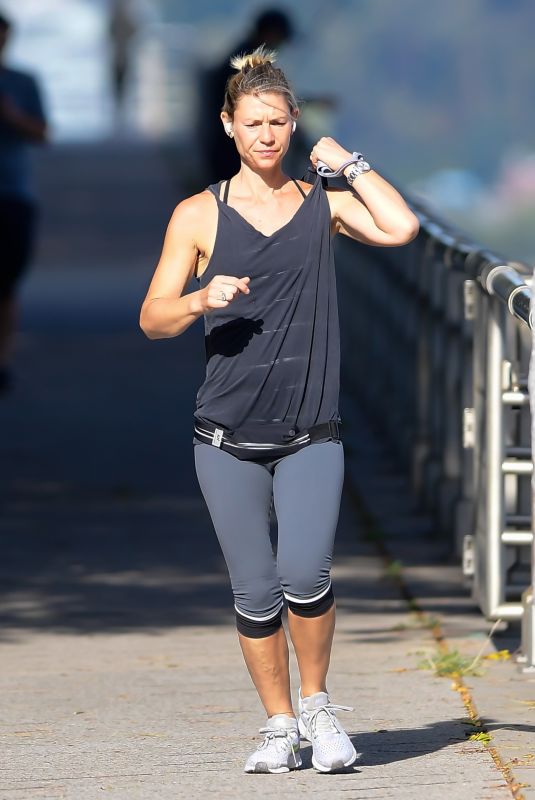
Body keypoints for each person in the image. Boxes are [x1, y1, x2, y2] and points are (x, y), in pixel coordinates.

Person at [140, 46, 419, 774]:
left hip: (310, 434)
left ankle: (320, 710)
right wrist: (201, 296)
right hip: (225, 436)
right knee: (255, 589)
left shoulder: (321, 206)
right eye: (252, 122)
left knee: (305, 572)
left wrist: (348, 164)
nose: (266, 135)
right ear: (228, 125)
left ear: (295, 124)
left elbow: (400, 229)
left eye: (278, 122)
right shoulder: (198, 215)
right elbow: (153, 318)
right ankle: (278, 723)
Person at [0, 11, 48, 393]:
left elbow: (42, 132)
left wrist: (11, 115)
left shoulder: (22, 82)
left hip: (14, 193)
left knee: (7, 282)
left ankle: (3, 360)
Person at [198, 8, 294, 182]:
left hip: (225, 144)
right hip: (230, 149)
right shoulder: (247, 64)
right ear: (270, 34)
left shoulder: (242, 55)